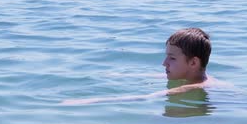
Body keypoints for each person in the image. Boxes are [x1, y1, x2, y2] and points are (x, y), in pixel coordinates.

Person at [61, 27, 215, 105]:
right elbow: (158, 75)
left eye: (172, 58)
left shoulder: (194, 87)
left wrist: (86, 102)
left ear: (193, 63)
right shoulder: (192, 77)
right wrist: (121, 76)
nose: (164, 63)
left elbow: (146, 97)